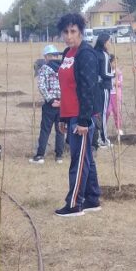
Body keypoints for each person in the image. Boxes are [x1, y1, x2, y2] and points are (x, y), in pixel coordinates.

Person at [55, 13, 101, 217]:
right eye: (65, 31)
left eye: (73, 31)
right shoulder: (67, 53)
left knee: (78, 160)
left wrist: (83, 120)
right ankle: (92, 198)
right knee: (86, 158)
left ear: (81, 32)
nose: (68, 36)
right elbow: (66, 88)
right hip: (70, 114)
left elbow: (89, 89)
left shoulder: (86, 55)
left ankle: (74, 204)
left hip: (82, 117)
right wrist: (63, 117)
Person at [30, 44, 64, 164]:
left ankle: (40, 156)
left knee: (45, 130)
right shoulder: (63, 67)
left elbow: (41, 86)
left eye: (45, 56)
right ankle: (59, 156)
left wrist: (50, 100)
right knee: (60, 129)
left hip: (50, 104)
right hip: (62, 104)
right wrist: (62, 101)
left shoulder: (44, 68)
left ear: (48, 56)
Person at [93, 34, 114, 147]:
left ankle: (97, 138)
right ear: (105, 42)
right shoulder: (104, 55)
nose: (110, 43)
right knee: (103, 112)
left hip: (95, 86)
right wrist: (114, 73)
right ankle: (104, 139)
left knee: (97, 112)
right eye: (109, 41)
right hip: (104, 87)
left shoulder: (94, 53)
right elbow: (105, 73)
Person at [107, 55, 124, 136]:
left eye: (117, 62)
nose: (115, 64)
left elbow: (120, 82)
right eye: (114, 62)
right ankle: (103, 128)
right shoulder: (107, 72)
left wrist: (115, 83)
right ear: (109, 63)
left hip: (116, 94)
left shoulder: (118, 72)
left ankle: (118, 128)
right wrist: (111, 83)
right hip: (108, 94)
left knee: (117, 111)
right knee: (107, 111)